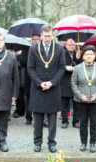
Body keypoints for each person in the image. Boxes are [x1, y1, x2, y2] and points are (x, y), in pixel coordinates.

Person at [27, 24, 66, 153]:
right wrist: (39, 82)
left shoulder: (59, 49)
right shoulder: (33, 49)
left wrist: (52, 82)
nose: (48, 38)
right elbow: (30, 68)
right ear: (41, 35)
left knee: (52, 119)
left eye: (50, 36)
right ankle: (37, 142)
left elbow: (61, 68)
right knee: (37, 119)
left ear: (52, 35)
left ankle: (51, 142)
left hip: (53, 89)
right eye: (46, 36)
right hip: (38, 88)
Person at [71, 46, 96, 153]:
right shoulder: (77, 68)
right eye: (86, 54)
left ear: (94, 55)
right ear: (83, 56)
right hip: (81, 100)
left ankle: (92, 143)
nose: (89, 56)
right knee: (83, 122)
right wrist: (80, 95)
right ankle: (83, 143)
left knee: (94, 122)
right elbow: (73, 83)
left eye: (91, 54)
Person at [18, 34, 41, 125]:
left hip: (39, 78)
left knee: (38, 100)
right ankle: (28, 117)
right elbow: (22, 61)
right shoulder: (26, 49)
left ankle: (38, 118)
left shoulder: (42, 50)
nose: (35, 41)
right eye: (34, 39)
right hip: (28, 78)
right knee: (28, 99)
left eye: (37, 39)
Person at [60, 39, 81, 129]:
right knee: (64, 104)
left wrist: (78, 59)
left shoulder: (78, 54)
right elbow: (58, 65)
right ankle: (65, 121)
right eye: (69, 45)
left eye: (73, 45)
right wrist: (65, 67)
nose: (71, 46)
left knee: (76, 103)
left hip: (76, 81)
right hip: (64, 80)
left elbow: (81, 65)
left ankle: (76, 121)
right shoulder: (62, 54)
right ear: (66, 45)